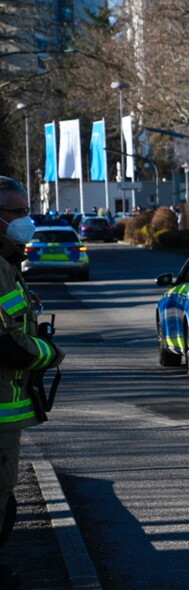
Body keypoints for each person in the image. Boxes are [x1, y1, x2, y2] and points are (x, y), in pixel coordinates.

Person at [0, 177, 64, 586]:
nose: (27, 219)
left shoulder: (7, 263)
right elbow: (8, 346)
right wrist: (51, 354)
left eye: (27, 210)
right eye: (17, 212)